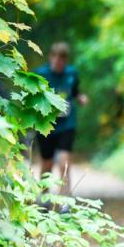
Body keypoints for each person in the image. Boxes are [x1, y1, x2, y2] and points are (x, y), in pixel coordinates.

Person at [34, 42, 89, 209]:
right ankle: (44, 199)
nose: (58, 61)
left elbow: (75, 92)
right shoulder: (40, 75)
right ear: (50, 57)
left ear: (66, 60)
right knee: (47, 163)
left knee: (64, 161)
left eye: (62, 59)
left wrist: (81, 98)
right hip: (45, 124)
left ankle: (66, 201)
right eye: (55, 57)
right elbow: (31, 97)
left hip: (67, 123)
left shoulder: (72, 73)